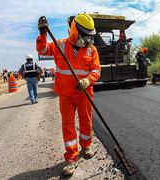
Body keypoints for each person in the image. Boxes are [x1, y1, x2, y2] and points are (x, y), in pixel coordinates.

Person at [36, 13, 101, 175]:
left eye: (90, 35)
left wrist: (87, 80)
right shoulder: (60, 45)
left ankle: (86, 147)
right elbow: (43, 49)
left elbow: (96, 70)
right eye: (85, 35)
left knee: (86, 121)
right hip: (66, 94)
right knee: (68, 124)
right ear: (75, 31)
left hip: (84, 93)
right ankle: (71, 157)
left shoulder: (91, 50)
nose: (88, 39)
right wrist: (43, 34)